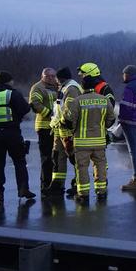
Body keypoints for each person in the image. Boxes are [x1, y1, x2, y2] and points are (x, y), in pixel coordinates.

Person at [0, 71, 35, 211]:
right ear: (10, 81)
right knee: (19, 162)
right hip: (13, 133)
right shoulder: (13, 94)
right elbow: (25, 109)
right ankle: (23, 189)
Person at [64, 77, 116, 202]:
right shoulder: (104, 100)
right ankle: (101, 192)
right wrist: (103, 126)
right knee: (100, 166)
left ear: (83, 87)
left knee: (82, 167)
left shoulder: (77, 101)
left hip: (82, 143)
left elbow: (70, 121)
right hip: (99, 142)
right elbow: (111, 120)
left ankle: (83, 194)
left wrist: (73, 128)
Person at [48, 67, 81, 195]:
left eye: (56, 78)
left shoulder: (71, 89)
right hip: (59, 129)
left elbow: (70, 110)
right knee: (57, 158)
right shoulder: (64, 87)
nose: (55, 81)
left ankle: (78, 185)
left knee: (74, 158)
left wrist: (64, 123)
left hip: (68, 130)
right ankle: (57, 185)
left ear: (60, 78)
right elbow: (59, 109)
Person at [28, 68, 58, 196]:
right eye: (48, 76)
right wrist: (50, 114)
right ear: (42, 76)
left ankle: (55, 185)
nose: (51, 78)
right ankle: (45, 186)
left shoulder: (57, 87)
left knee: (57, 158)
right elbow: (35, 104)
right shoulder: (38, 87)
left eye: (53, 76)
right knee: (46, 158)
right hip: (44, 127)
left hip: (57, 127)